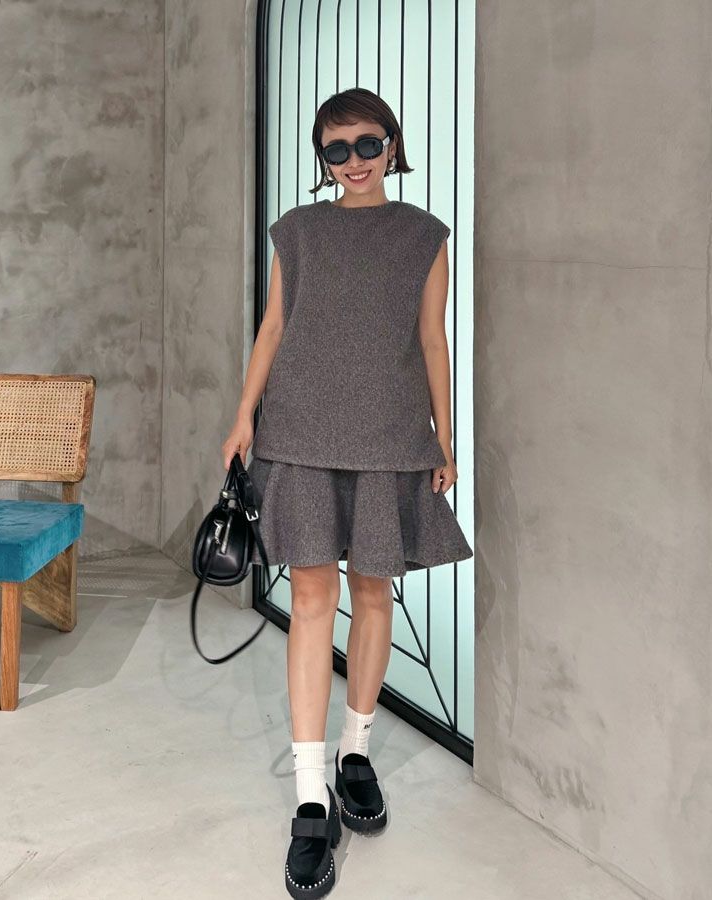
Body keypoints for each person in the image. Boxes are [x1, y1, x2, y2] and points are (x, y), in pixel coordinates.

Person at [222, 86, 473, 898]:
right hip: (299, 431)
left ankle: (355, 753)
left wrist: (445, 435)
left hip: (388, 434)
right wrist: (243, 418)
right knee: (310, 601)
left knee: (372, 593)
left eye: (368, 144)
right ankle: (310, 795)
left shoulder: (424, 235)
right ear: (322, 159)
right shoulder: (297, 231)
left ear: (392, 145)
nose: (354, 161)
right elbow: (273, 327)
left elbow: (432, 339)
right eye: (336, 150)